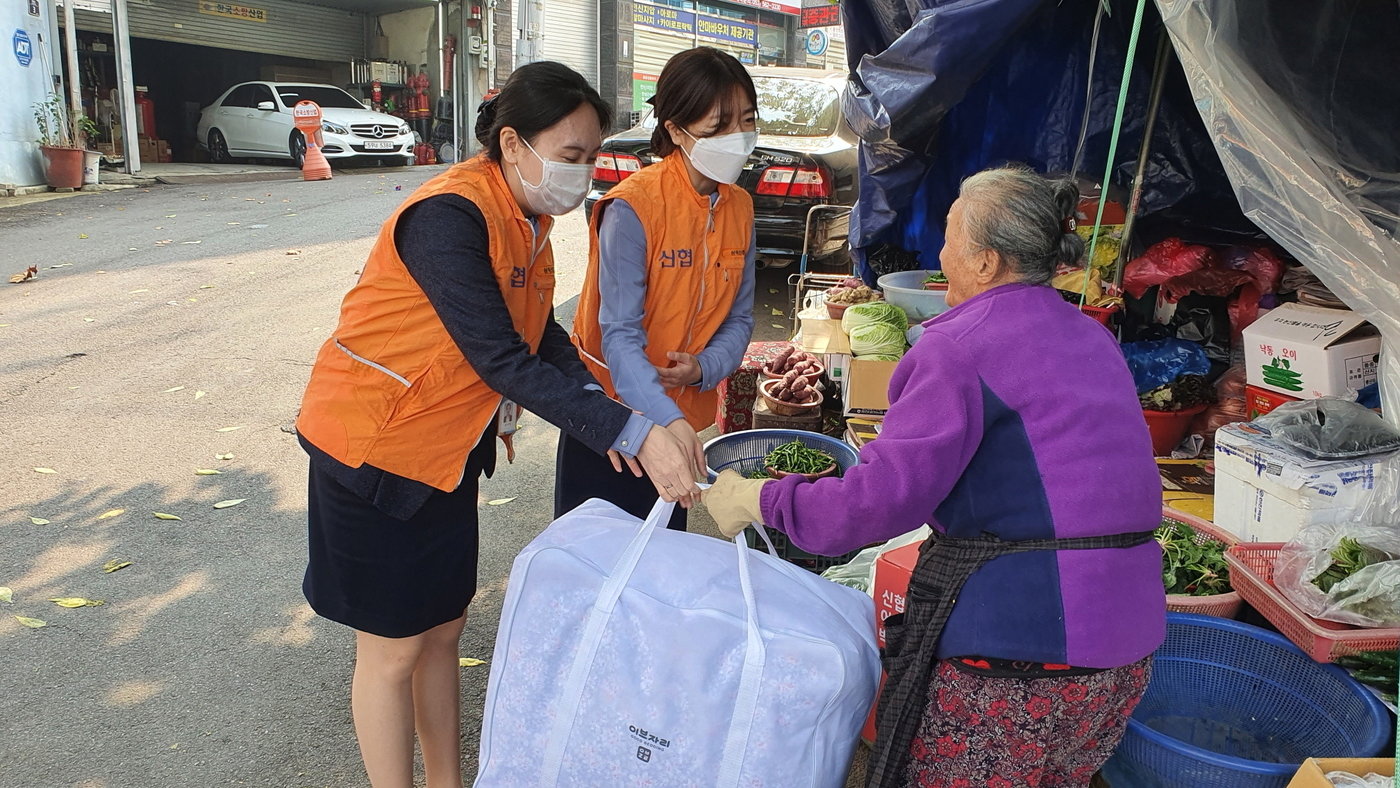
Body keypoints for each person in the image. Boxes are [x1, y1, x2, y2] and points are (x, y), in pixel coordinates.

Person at [294, 62, 700, 788]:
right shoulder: (448, 218)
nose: (582, 174)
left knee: (445, 629)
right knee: (391, 651)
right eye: (570, 156)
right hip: (373, 450)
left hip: (446, 453)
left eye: (590, 156)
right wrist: (629, 435)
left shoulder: (528, 218)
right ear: (512, 143)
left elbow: (540, 334)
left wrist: (617, 410)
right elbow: (500, 359)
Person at [704, 166, 1165, 787]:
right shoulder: (1092, 337)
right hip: (1125, 655)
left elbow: (870, 507)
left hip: (1019, 656)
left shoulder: (957, 348)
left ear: (985, 261)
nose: (938, 254)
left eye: (949, 237)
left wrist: (760, 497)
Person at [560, 46, 759, 529]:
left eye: (747, 122)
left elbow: (740, 316)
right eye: (718, 126)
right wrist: (662, 419)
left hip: (679, 422)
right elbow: (619, 333)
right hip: (609, 424)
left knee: (662, 567)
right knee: (595, 565)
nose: (737, 138)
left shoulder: (740, 208)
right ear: (675, 129)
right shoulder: (633, 207)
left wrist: (703, 369)